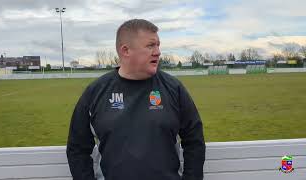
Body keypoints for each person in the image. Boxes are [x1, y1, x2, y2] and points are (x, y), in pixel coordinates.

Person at [66, 19, 206, 180]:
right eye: (150, 45)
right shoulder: (96, 92)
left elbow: (194, 141)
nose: (158, 52)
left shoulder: (174, 88)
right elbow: (77, 148)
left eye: (158, 45)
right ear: (126, 50)